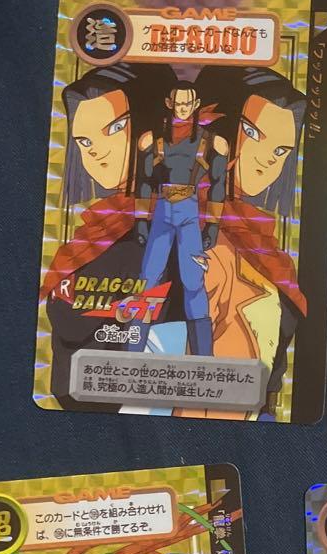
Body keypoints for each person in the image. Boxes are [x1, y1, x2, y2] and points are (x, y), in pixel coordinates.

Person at [40, 63, 179, 409]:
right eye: (85, 142)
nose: (96, 152)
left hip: (132, 397)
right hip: (84, 395)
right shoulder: (100, 223)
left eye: (114, 129)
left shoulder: (167, 225)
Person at [184, 65, 309, 419]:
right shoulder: (191, 224)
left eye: (281, 150)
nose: (269, 158)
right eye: (254, 133)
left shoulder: (264, 243)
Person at [135, 82, 228, 355]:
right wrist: (140, 219)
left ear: (196, 104)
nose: (183, 109)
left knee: (193, 282)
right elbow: (144, 182)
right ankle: (131, 351)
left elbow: (218, 185)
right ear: (169, 103)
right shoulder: (150, 140)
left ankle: (204, 357)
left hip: (189, 217)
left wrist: (213, 225)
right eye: (179, 103)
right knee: (147, 281)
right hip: (162, 216)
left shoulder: (214, 142)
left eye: (188, 104)